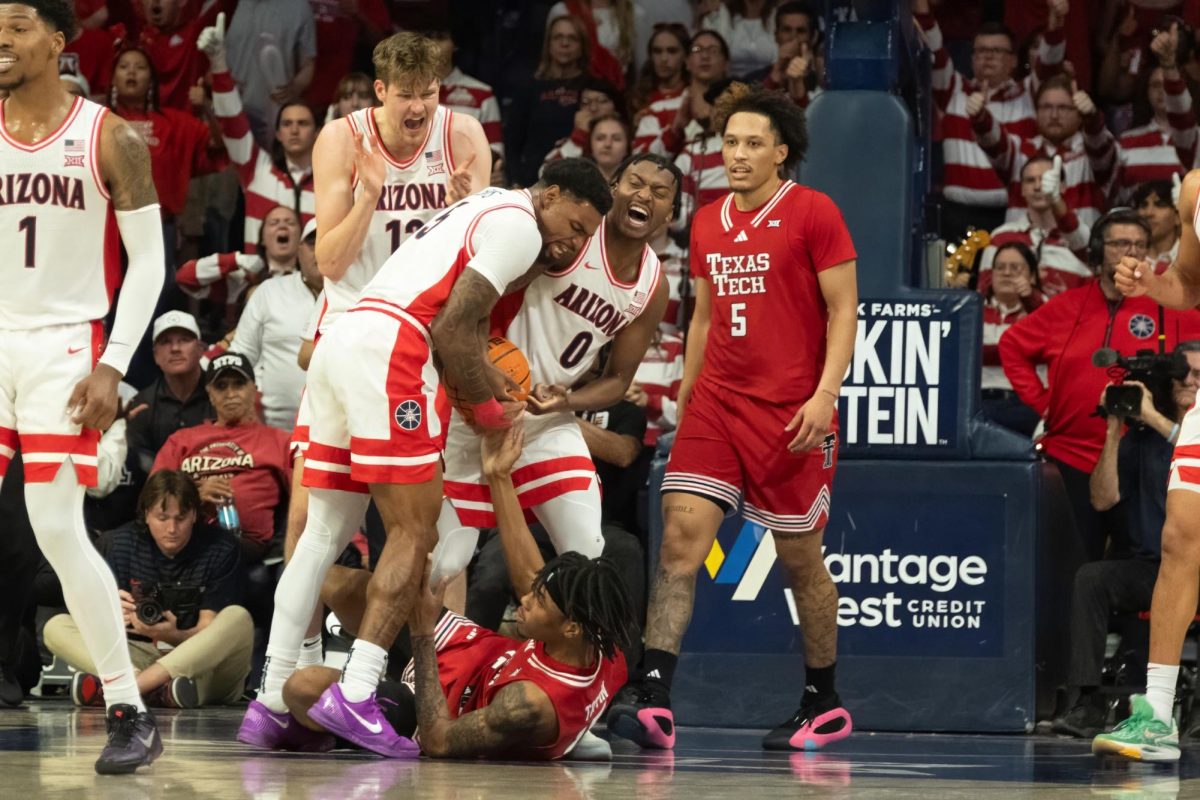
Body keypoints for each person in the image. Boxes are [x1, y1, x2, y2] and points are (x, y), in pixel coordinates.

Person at [239, 160, 611, 758]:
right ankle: (357, 692)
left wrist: (485, 381)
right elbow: (453, 327)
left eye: (587, 234)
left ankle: (273, 700)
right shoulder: (520, 226)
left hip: (347, 337)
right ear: (554, 194)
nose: (574, 240)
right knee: (414, 533)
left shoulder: (485, 203)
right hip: (396, 347)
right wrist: (490, 411)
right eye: (575, 222)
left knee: (321, 535)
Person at [607, 84, 859, 752]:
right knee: (680, 545)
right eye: (730, 142)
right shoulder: (709, 219)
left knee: (801, 563)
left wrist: (825, 394)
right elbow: (705, 313)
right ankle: (655, 697)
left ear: (782, 151)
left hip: (790, 413)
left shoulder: (815, 212)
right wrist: (690, 391)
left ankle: (822, 701)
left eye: (753, 143)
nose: (738, 155)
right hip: (717, 403)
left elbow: (844, 310)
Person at [0, 0, 168, 773]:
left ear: (60, 42)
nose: (1, 39)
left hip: (64, 346)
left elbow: (151, 265)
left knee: (59, 530)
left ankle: (128, 705)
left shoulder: (109, 135)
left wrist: (114, 363)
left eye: (17, 25)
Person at [280, 423, 633, 760]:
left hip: (431, 705)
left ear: (570, 627)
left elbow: (439, 740)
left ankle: (348, 704)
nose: (523, 599)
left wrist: (421, 630)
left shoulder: (528, 705)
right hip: (461, 646)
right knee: (340, 584)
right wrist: (499, 475)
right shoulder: (597, 639)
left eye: (536, 601)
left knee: (302, 689)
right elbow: (529, 574)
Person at [442, 153, 675, 561]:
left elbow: (618, 380)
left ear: (670, 213)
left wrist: (567, 401)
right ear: (613, 188)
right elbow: (481, 292)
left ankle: (561, 627)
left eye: (659, 192)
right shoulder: (572, 233)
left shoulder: (653, 286)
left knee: (587, 548)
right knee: (447, 560)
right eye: (635, 183)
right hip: (479, 399)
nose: (644, 195)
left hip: (547, 418)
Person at [999, 210, 1200, 563]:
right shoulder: (1067, 305)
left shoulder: (1166, 305)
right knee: (1070, 568)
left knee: (1145, 563)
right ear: (1097, 250)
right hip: (1071, 457)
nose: (1132, 252)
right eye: (1121, 243)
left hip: (1142, 460)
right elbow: (1012, 344)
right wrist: (1045, 403)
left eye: (1140, 245)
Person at [1091, 170, 1200, 761]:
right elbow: (1189, 283)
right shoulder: (1195, 190)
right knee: (1180, 540)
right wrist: (1153, 281)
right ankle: (1158, 713)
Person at [1052, 344, 1200, 738]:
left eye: (1198, 375)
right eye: (1183, 375)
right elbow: (1102, 499)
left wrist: (1152, 417)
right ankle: (1084, 702)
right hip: (1147, 568)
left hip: (1193, 567)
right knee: (1091, 578)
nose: (1190, 382)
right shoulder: (1137, 437)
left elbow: (1190, 458)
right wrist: (1112, 433)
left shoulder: (1182, 433)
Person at [45, 470, 252, 710]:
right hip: (138, 654)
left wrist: (171, 634)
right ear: (146, 514)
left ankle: (129, 687)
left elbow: (209, 630)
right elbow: (91, 618)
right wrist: (107, 611)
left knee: (238, 617)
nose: (172, 528)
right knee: (56, 626)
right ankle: (157, 689)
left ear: (195, 515)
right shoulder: (117, 544)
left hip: (201, 664)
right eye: (162, 518)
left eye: (181, 518)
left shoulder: (221, 547)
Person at [913, 0, 1067, 239]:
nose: (987, 58)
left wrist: (1056, 24)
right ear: (971, 57)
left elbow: (1049, 64)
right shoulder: (954, 89)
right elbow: (933, 48)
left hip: (1008, 214)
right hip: (957, 216)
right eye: (981, 51)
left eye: (996, 51)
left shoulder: (1029, 94)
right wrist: (921, 7)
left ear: (1014, 60)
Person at [151, 352, 291, 564]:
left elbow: (308, 500)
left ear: (254, 389)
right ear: (210, 394)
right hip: (182, 536)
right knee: (116, 541)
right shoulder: (181, 440)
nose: (230, 393)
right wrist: (194, 497)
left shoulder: (279, 441)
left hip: (245, 545)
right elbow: (152, 498)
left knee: (220, 546)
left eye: (239, 384)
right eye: (221, 386)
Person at [200, 13, 318, 254]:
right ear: (277, 134)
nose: (294, 129)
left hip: (315, 289)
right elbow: (233, 122)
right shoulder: (257, 170)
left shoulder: (330, 182)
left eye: (303, 123)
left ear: (317, 133)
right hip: (262, 287)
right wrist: (219, 63)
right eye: (287, 124)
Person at [969, 73, 1117, 229]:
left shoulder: (1092, 154)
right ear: (1036, 112)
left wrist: (1092, 117)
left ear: (1078, 113)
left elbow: (1099, 144)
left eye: (1063, 108)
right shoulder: (1019, 151)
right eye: (1046, 107)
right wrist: (980, 116)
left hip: (1077, 248)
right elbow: (992, 140)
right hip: (1023, 249)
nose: (1054, 115)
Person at [230, 218, 321, 431]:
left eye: (327, 240)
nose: (320, 249)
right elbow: (240, 356)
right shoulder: (268, 291)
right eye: (312, 242)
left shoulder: (360, 293)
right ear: (299, 251)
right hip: (273, 431)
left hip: (340, 434)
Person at [975, 155, 1090, 298]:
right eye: (1030, 181)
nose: (1037, 186)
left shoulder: (1080, 241)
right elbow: (984, 296)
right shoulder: (1000, 237)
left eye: (1045, 180)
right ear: (1022, 189)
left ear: (1062, 186)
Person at [506, 15, 591, 188]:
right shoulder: (529, 86)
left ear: (582, 47)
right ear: (548, 44)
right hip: (532, 181)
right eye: (558, 37)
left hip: (578, 180)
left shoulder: (592, 87)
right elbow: (512, 140)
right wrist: (515, 180)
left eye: (572, 38)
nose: (564, 43)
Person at [126, 312, 215, 476]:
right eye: (166, 342)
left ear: (201, 349)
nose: (175, 348)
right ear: (155, 356)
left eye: (184, 340)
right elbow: (143, 466)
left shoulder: (220, 396)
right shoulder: (141, 405)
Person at [222, 0, 316, 148]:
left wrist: (295, 87)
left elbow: (308, 65)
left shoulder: (300, 8)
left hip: (269, 118)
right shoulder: (233, 4)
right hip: (229, 110)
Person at [980, 242, 1044, 438]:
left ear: (1032, 275)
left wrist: (1031, 299)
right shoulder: (973, 309)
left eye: (1015, 268)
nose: (1006, 273)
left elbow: (1054, 340)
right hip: (980, 402)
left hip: (1026, 406)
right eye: (1000, 267)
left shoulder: (1043, 307)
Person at [633, 29, 729, 156]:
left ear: (726, 64)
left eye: (713, 50)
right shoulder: (657, 110)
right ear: (687, 62)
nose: (705, 56)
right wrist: (674, 132)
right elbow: (639, 161)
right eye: (697, 49)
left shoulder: (742, 111)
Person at [629, 22, 689, 123]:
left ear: (685, 56)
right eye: (657, 51)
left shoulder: (694, 95)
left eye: (672, 51)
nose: (664, 58)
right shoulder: (638, 98)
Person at [1134, 179, 1181, 275]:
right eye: (1144, 205)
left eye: (1160, 205)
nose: (1149, 213)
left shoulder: (1193, 258)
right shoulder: (1127, 256)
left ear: (1178, 217)